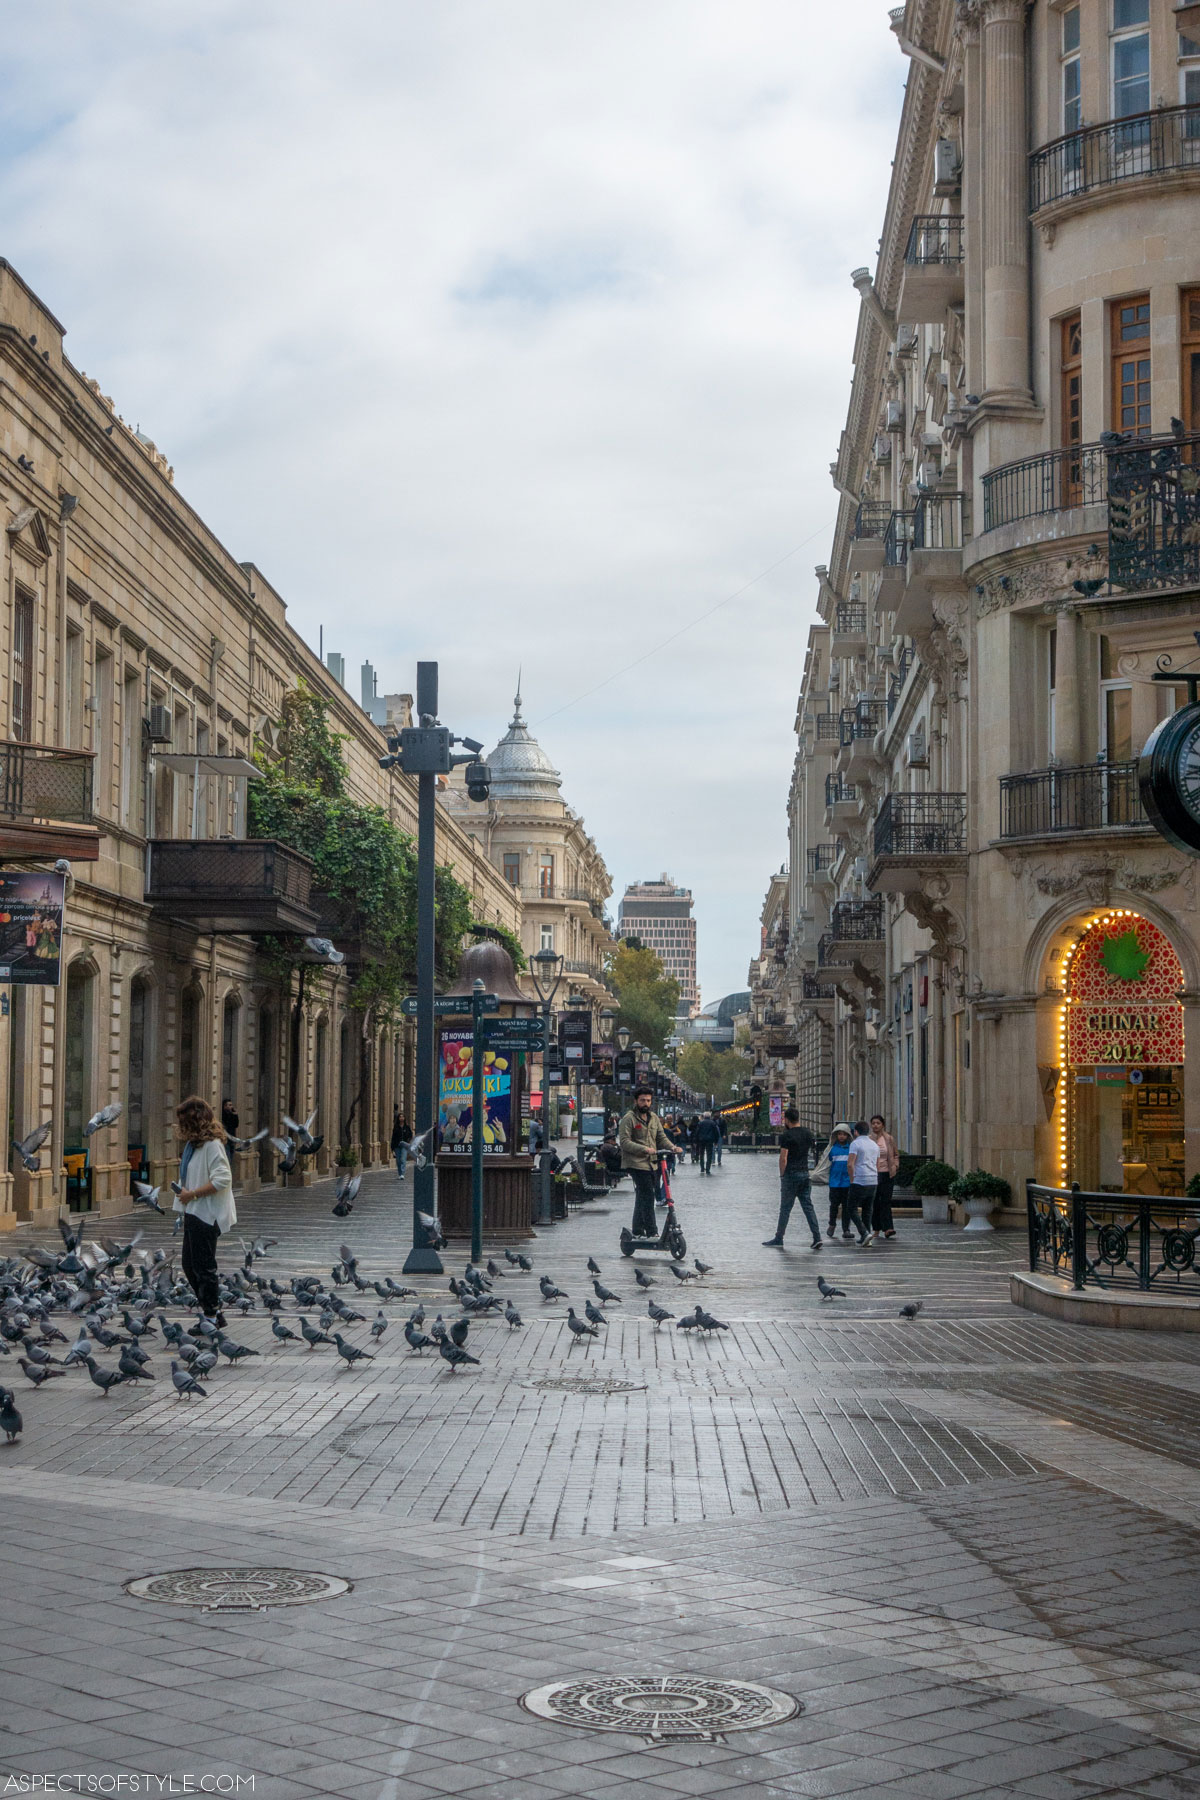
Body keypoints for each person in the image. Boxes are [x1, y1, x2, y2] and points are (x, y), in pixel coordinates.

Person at [173, 1095, 236, 1326]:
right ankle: (213, 1311)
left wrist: (193, 1193)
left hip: (207, 1214)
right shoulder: (195, 1146)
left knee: (203, 1267)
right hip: (194, 1211)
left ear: (194, 1121)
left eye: (183, 1121)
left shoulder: (212, 1146)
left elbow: (223, 1179)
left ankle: (211, 1317)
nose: (180, 1126)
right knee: (189, 1265)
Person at [763, 1106, 821, 1249]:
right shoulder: (808, 1133)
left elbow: (783, 1158)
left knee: (785, 1208)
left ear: (787, 1120)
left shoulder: (787, 1136)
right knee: (808, 1207)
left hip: (791, 1174)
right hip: (805, 1173)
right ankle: (817, 1236)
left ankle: (779, 1237)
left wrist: (782, 1175)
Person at [619, 1085, 672, 1236]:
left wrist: (673, 1147)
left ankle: (637, 1229)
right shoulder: (628, 1118)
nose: (646, 1104)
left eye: (648, 1100)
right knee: (648, 1195)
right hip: (636, 1163)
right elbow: (624, 1142)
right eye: (643, 1100)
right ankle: (651, 1231)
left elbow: (661, 1137)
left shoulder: (654, 1118)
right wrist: (644, 1149)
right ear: (636, 1101)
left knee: (643, 1195)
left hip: (652, 1163)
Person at [816, 1123, 868, 1244]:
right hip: (834, 1183)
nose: (841, 1136)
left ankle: (846, 1229)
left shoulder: (852, 1148)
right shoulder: (832, 1148)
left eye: (844, 1134)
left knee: (847, 1207)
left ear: (848, 1135)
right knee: (833, 1205)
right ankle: (832, 1224)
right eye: (839, 1134)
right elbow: (825, 1163)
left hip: (848, 1182)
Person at [847, 1119, 881, 1243]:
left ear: (856, 1132)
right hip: (873, 1180)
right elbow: (877, 1164)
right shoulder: (874, 1145)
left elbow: (850, 1164)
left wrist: (852, 1179)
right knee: (868, 1209)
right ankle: (867, 1237)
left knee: (851, 1208)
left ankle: (863, 1232)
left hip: (860, 1179)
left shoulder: (855, 1144)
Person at [870, 1114, 899, 1239]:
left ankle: (888, 1228)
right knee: (875, 1201)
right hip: (873, 1173)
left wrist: (895, 1166)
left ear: (883, 1125)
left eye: (878, 1123)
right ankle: (876, 1228)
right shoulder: (869, 1139)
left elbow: (896, 1154)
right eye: (873, 1123)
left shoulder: (889, 1139)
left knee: (886, 1201)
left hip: (887, 1173)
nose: (876, 1125)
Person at [391, 1108, 413, 1179]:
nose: (401, 1118)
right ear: (398, 1118)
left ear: (404, 1118)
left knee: (403, 1159)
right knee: (398, 1160)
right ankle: (400, 1173)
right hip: (397, 1145)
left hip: (404, 1145)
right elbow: (393, 1137)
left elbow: (410, 1135)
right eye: (400, 1117)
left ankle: (402, 1174)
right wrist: (392, 1148)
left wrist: (408, 1141)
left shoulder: (407, 1127)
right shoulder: (396, 1127)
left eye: (402, 1117)